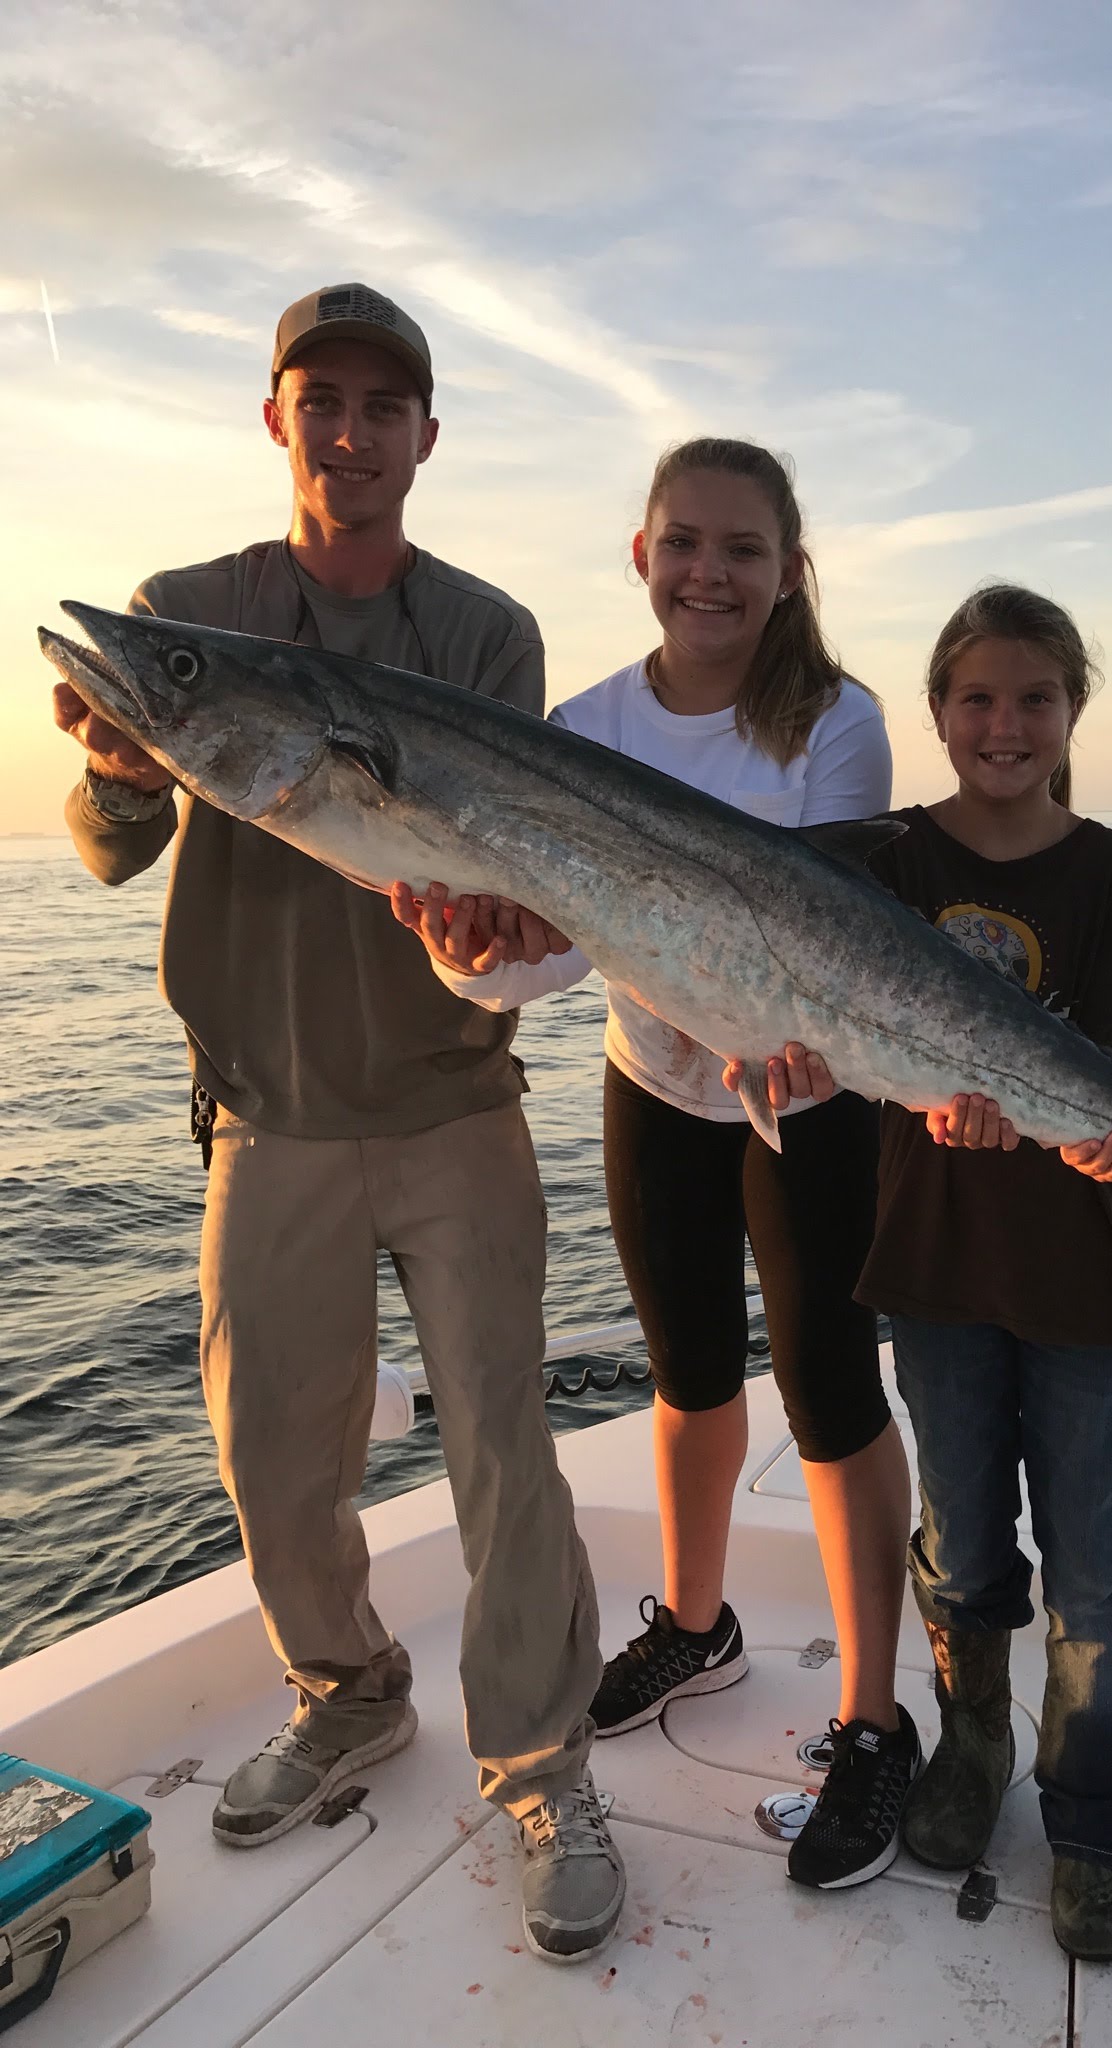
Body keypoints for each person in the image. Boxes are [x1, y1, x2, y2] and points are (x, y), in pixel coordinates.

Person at [50, 283, 624, 1964]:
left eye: (387, 406)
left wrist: (511, 923)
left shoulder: (489, 633)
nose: (353, 433)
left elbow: (519, 873)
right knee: (274, 1457)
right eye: (324, 401)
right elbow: (103, 852)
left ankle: (540, 1764)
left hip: (454, 1098)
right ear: (278, 418)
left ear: (426, 437)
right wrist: (124, 768)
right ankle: (349, 1693)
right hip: (267, 1112)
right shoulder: (187, 617)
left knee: (504, 1456)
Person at [395, 437, 922, 1891]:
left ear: (787, 572)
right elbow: (543, 962)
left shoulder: (836, 726)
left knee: (826, 1382)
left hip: (812, 1093)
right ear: (641, 556)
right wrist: (467, 950)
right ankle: (697, 1622)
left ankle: (874, 1719)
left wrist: (794, 1039)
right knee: (685, 1370)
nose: (711, 572)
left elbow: (829, 946)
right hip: (654, 1081)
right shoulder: (583, 724)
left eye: (744, 549)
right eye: (684, 542)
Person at [744, 582, 1112, 1961]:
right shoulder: (883, 863)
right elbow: (829, 1029)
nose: (1004, 724)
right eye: (976, 698)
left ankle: (1099, 1819)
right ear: (937, 712)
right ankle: (976, 1745)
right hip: (932, 1268)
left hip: (1088, 1281)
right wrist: (801, 1064)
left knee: (1095, 1575)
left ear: (1072, 712)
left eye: (1034, 697)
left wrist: (1090, 1139)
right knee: (964, 1548)